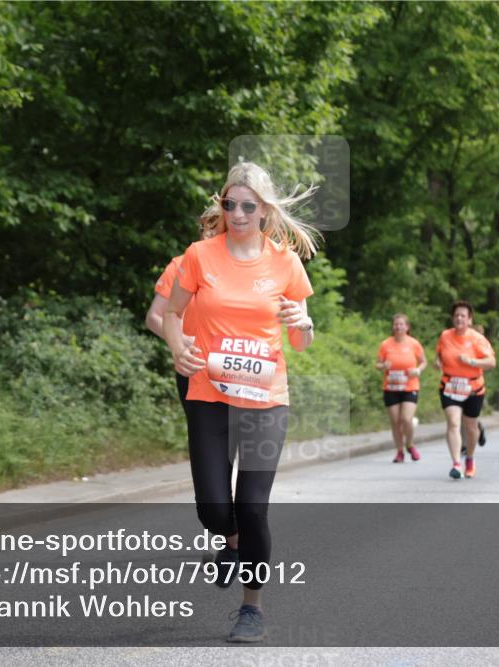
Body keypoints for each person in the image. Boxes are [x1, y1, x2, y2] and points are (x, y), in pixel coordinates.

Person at [163, 162, 317, 643]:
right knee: (212, 507)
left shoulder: (285, 263)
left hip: (265, 399)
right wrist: (178, 347)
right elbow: (171, 313)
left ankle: (252, 608)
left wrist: (303, 323)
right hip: (208, 393)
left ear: (265, 210)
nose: (238, 212)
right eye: (230, 203)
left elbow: (301, 340)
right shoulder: (199, 256)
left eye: (248, 205)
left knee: (252, 506)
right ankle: (228, 541)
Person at [145, 217, 225, 411]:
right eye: (204, 227)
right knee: (207, 438)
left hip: (235, 363)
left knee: (243, 434)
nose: (209, 233)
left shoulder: (241, 267)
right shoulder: (181, 264)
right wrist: (181, 342)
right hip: (194, 363)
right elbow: (154, 317)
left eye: (217, 228)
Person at [434, 301, 495, 480]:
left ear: (469, 319)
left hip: (473, 388)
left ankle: (469, 458)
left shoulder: (477, 339)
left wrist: (472, 362)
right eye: (456, 315)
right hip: (450, 386)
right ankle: (456, 463)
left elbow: (491, 362)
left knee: (470, 427)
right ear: (453, 319)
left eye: (463, 315)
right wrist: (438, 361)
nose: (459, 318)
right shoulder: (445, 336)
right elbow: (439, 354)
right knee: (453, 423)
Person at [376, 314, 427, 462]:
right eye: (396, 324)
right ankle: (400, 451)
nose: (398, 327)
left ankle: (410, 444)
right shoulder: (386, 344)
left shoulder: (414, 343)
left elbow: (423, 361)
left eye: (401, 324)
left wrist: (418, 370)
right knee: (395, 421)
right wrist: (383, 366)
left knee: (406, 418)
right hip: (391, 387)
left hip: (409, 386)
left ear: (407, 327)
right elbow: (378, 364)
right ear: (393, 327)